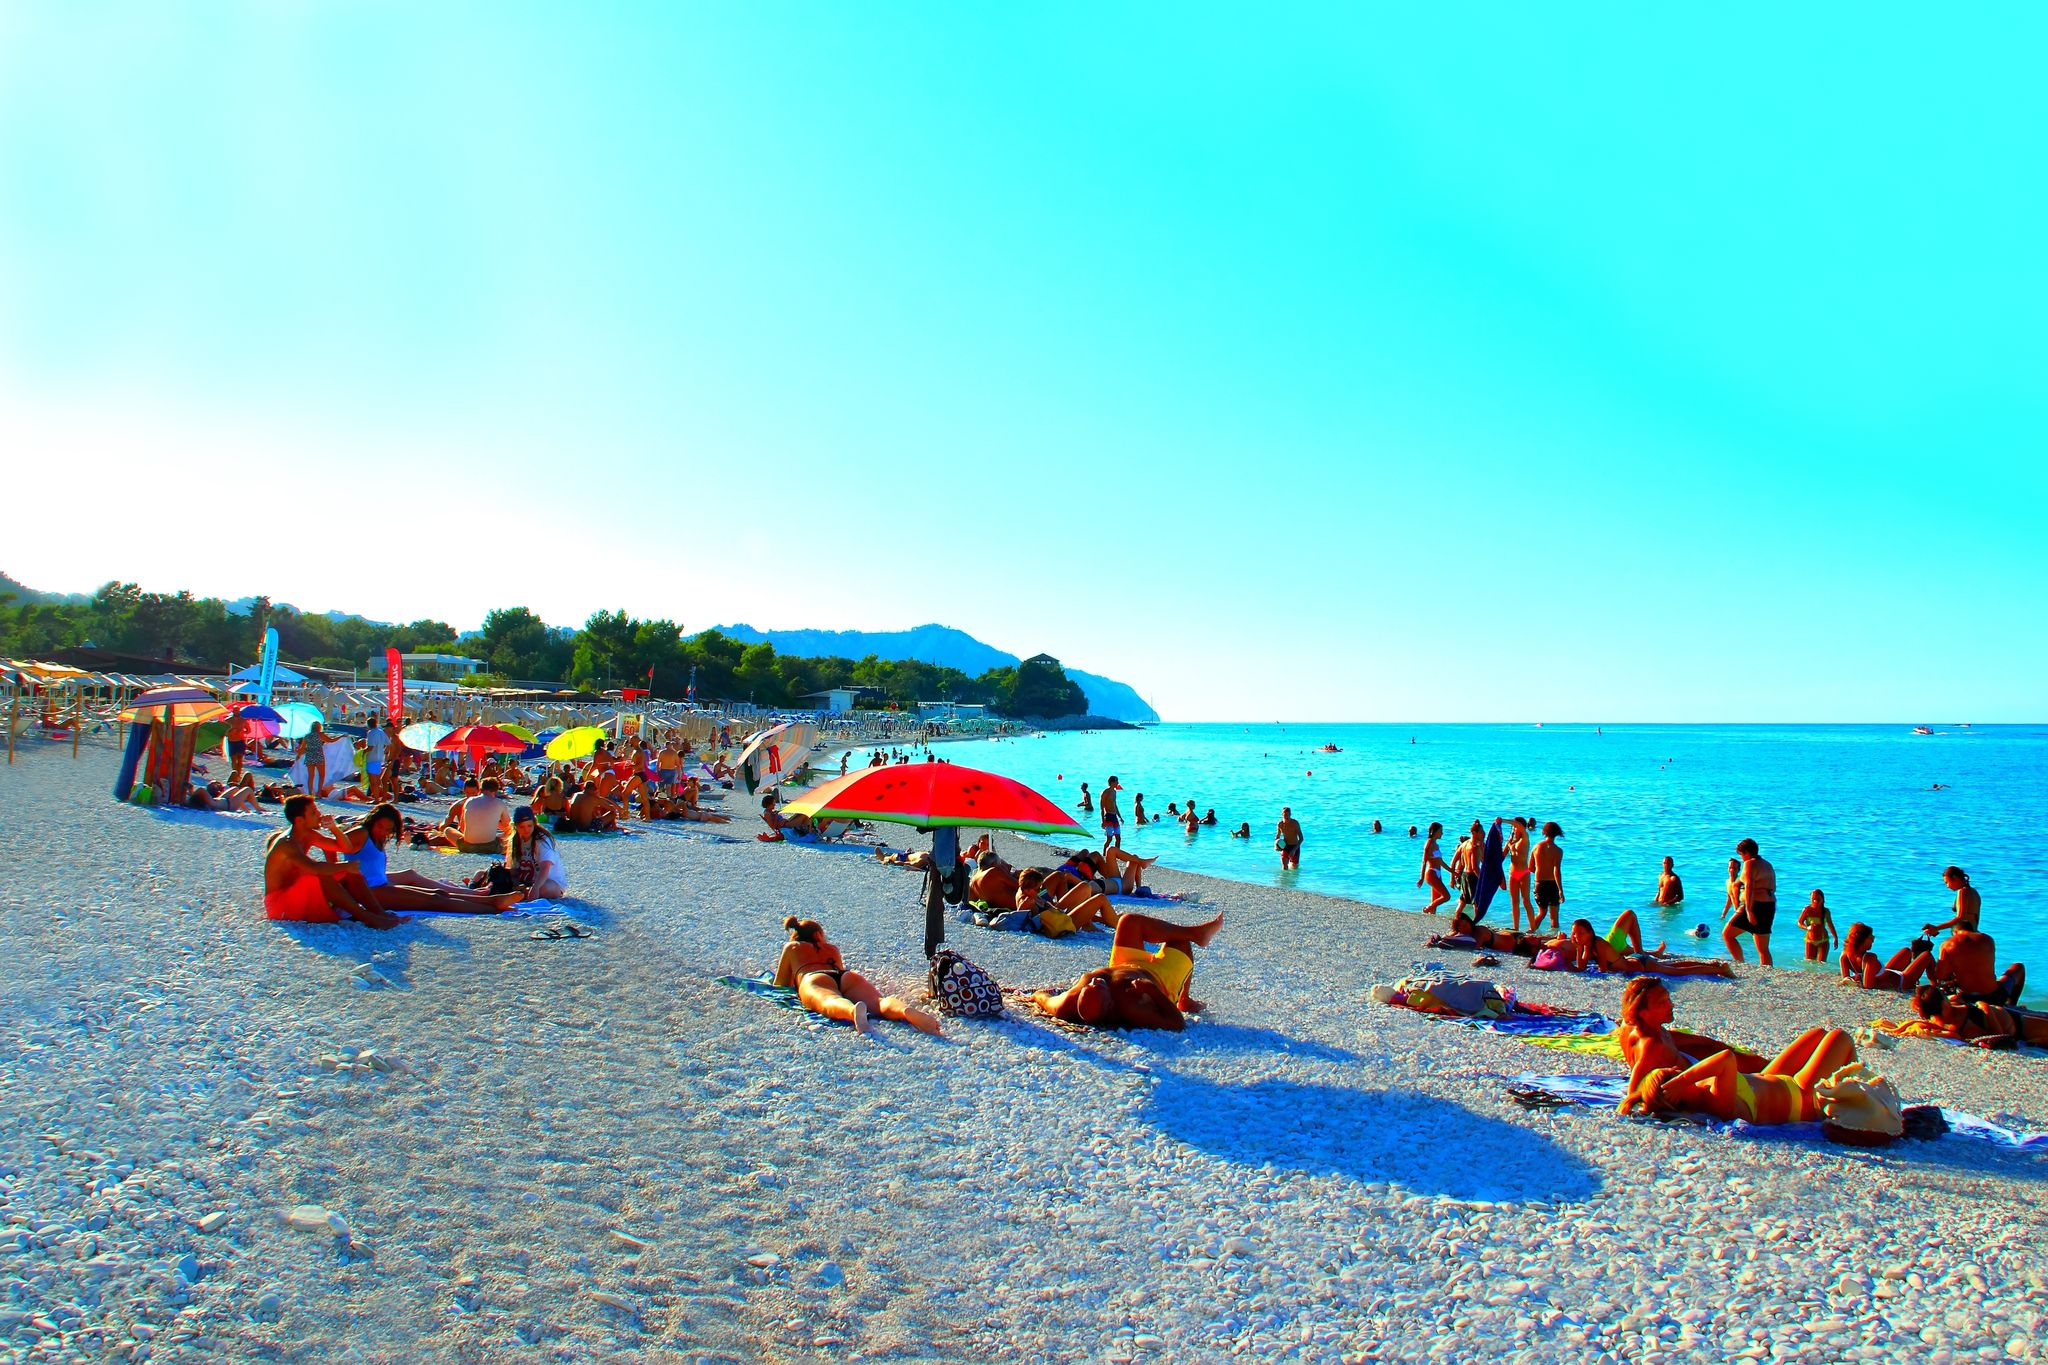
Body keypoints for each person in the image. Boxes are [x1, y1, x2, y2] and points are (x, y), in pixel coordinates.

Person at [1621, 1024, 1859, 1125]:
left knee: (1817, 1034)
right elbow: (1726, 1058)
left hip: (1769, 1079)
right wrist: (1684, 1078)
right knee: (1840, 1037)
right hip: (1800, 1096)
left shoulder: (1705, 1089)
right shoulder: (1716, 1103)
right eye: (1673, 1075)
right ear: (1674, 1094)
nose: (1678, 1071)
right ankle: (1854, 1100)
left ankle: (1849, 1094)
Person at [1032, 911, 1224, 1032]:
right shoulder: (1131, 1007)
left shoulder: (1067, 1004)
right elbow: (1177, 1023)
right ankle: (1184, 999)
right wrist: (1151, 991)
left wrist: (1036, 995)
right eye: (1098, 987)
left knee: (1128, 921)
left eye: (1090, 985)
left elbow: (1045, 1000)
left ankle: (1194, 933)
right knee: (1178, 941)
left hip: (1124, 964)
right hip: (1160, 978)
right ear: (1109, 1005)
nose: (1095, 982)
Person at [333, 804, 517, 913]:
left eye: (388, 830)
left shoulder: (374, 837)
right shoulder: (360, 833)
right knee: (435, 900)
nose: (383, 832)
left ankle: (490, 901)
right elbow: (333, 844)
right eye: (380, 827)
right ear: (372, 820)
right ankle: (492, 908)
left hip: (379, 885)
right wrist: (333, 829)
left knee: (438, 894)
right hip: (370, 891)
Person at [1615, 978, 1765, 1111]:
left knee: (1721, 1051)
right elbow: (1633, 1089)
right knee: (1757, 1067)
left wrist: (1707, 1041)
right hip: (1694, 1075)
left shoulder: (1636, 1027)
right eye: (1662, 1003)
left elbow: (1671, 1037)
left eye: (1668, 999)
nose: (1671, 1005)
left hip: (1684, 1058)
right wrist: (1632, 1105)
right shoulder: (1652, 1047)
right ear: (1643, 1013)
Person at [774, 917, 940, 1035]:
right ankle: (905, 1010)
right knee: (879, 1002)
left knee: (830, 1000)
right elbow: (839, 976)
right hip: (846, 976)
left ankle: (852, 1010)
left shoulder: (792, 947)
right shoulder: (832, 949)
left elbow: (780, 984)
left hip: (814, 978)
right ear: (817, 935)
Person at [261, 795, 403, 927]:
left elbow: (345, 848)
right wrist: (345, 866)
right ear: (299, 820)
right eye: (313, 813)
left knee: (350, 873)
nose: (319, 815)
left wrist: (334, 828)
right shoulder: (286, 844)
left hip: (296, 894)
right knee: (321, 874)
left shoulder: (307, 834)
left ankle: (378, 912)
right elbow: (314, 868)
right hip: (279, 905)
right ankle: (366, 917)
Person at [1910, 985, 2048, 1048]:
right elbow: (2000, 1036)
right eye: (1944, 997)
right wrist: (1985, 1007)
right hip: (2018, 1025)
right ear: (1943, 1005)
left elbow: (1955, 999)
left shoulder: (1937, 1018)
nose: (1947, 997)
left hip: (2012, 1017)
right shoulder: (1962, 1023)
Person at [1724, 838, 1776, 966]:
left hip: (1754, 905)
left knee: (1727, 934)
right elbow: (1772, 887)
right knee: (1763, 948)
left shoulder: (1750, 864)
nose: (1741, 858)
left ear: (1746, 852)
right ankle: (1768, 971)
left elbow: (1750, 886)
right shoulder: (1767, 864)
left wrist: (1749, 911)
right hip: (1769, 905)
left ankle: (1740, 963)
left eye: (1741, 854)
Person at [1839, 923, 1933, 992]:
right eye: (1871, 937)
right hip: (1902, 982)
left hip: (1888, 973)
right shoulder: (1869, 958)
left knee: (1906, 951)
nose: (1873, 939)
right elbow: (1868, 986)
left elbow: (1846, 979)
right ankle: (1935, 984)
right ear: (1863, 940)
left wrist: (1856, 979)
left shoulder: (1845, 955)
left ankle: (1916, 967)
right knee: (1927, 955)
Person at [507, 807, 569, 899]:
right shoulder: (515, 841)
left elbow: (545, 868)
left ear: (534, 824)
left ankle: (523, 892)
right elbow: (513, 869)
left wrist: (535, 888)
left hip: (548, 882)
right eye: (522, 827)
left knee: (544, 889)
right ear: (515, 826)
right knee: (483, 875)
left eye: (529, 825)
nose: (526, 830)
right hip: (526, 882)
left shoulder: (542, 840)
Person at [1922, 865, 1982, 938]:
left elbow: (1960, 917)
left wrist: (1936, 928)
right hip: (1974, 930)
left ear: (1955, 878)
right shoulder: (1974, 891)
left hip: (1963, 933)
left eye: (1947, 882)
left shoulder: (1962, 892)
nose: (1947, 886)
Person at [1529, 822, 1564, 932]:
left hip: (1539, 883)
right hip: (1552, 884)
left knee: (1541, 913)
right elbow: (1556, 871)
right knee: (1554, 917)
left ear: (1544, 832)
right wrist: (1560, 890)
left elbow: (1530, 868)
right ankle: (1555, 939)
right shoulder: (1558, 851)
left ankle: (1529, 932)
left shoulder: (1536, 847)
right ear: (1557, 833)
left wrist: (1540, 872)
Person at [1505, 817, 1533, 931]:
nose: (1513, 828)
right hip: (1513, 873)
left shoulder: (1525, 838)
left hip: (1523, 873)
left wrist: (1502, 821)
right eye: (1513, 827)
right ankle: (1515, 927)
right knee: (1514, 901)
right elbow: (1503, 854)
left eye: (1515, 827)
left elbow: (1519, 825)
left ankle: (1533, 927)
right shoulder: (1512, 841)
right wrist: (1508, 844)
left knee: (1526, 900)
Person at [1417, 823, 1451, 914]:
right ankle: (1426, 909)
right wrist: (1421, 878)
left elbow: (1441, 862)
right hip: (1431, 873)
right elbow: (1424, 861)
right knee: (1446, 896)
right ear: (1434, 832)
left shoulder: (1436, 844)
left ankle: (1430, 919)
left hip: (1438, 873)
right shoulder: (1429, 843)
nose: (1442, 833)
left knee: (1435, 901)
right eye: (1440, 831)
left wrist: (1452, 871)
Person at [1797, 890, 1838, 963]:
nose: (1815, 901)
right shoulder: (1807, 910)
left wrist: (1835, 937)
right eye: (1813, 899)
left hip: (1823, 940)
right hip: (1810, 940)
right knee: (1809, 963)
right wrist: (1807, 927)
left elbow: (1830, 924)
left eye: (1818, 899)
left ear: (1823, 900)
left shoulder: (1826, 911)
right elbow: (1799, 923)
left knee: (1822, 964)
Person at [298, 722, 329, 796]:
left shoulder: (307, 736)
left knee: (311, 776)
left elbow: (302, 748)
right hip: (318, 755)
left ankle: (310, 793)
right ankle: (319, 793)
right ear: (319, 727)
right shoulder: (320, 735)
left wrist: (298, 756)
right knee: (322, 775)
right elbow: (331, 741)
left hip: (309, 756)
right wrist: (341, 737)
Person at [364, 719, 391, 801]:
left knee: (373, 781)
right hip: (379, 759)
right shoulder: (381, 732)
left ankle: (376, 799)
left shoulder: (371, 733)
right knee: (377, 780)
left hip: (372, 758)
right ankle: (378, 798)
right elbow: (389, 744)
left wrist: (362, 752)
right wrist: (384, 752)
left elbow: (370, 747)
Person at [1099, 777, 1123, 849]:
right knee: (1109, 839)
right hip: (1108, 817)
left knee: (1118, 838)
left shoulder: (1114, 792)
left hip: (1114, 817)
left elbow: (1115, 805)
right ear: (1112, 782)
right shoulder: (1105, 792)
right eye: (1116, 781)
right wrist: (1103, 821)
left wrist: (1120, 817)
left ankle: (1117, 854)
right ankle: (1104, 854)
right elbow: (1102, 808)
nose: (1118, 783)